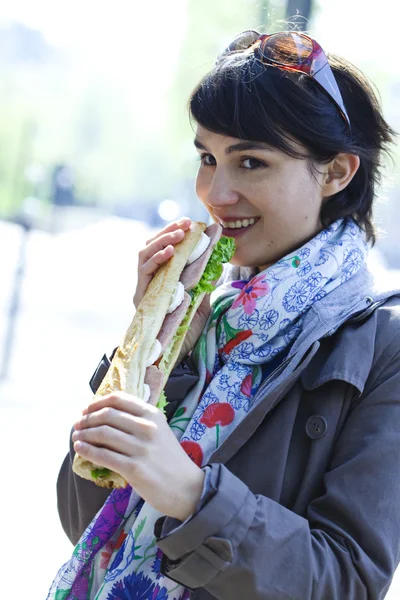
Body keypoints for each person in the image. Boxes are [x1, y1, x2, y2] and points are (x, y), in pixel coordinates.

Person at [48, 29, 400, 600]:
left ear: (337, 173)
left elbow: (348, 582)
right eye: (208, 158)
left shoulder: (384, 344)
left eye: (252, 162)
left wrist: (191, 494)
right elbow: (83, 523)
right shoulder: (209, 315)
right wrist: (150, 348)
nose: (216, 193)